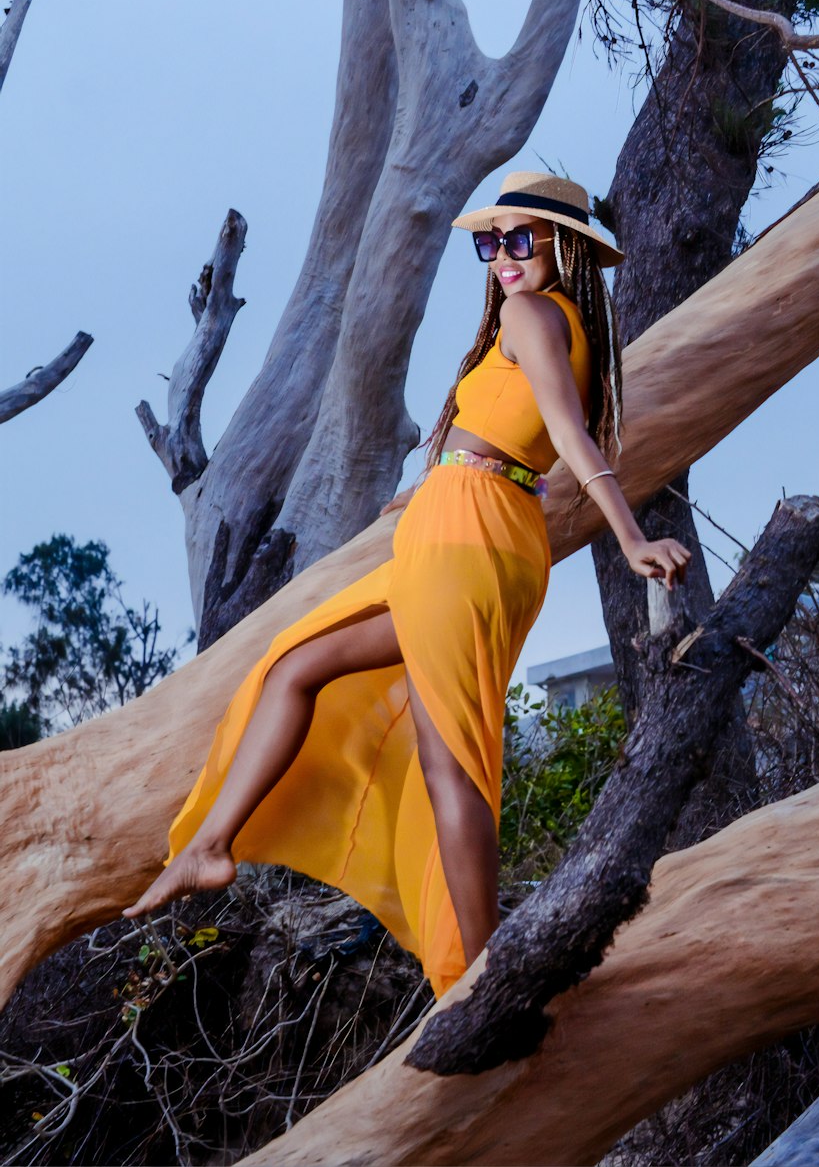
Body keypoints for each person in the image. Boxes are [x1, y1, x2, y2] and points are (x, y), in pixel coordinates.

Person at [123, 171, 689, 997]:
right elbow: (508, 436)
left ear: (565, 246)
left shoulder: (538, 313)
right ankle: (213, 844)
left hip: (471, 537)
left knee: (448, 758)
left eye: (519, 239)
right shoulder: (543, 321)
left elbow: (565, 435)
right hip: (461, 524)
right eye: (488, 242)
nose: (501, 257)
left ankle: (483, 973)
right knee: (296, 669)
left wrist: (630, 536)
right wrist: (440, 480)